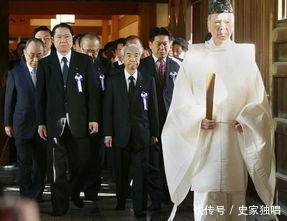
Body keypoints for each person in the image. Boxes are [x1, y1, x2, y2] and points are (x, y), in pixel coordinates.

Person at [162, 0, 276, 220]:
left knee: (234, 198)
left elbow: (258, 102)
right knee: (207, 197)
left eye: (226, 22)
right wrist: (197, 119)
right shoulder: (194, 55)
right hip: (205, 137)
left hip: (235, 137)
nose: (222, 27)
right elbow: (180, 104)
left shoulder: (244, 56)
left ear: (233, 24)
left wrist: (246, 119)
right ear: (208, 24)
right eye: (217, 22)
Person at [36, 23, 99, 216]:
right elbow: (40, 96)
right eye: (59, 37)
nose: (63, 40)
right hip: (54, 123)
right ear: (53, 41)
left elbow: (92, 93)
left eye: (67, 37)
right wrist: (41, 122)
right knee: (57, 168)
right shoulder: (45, 64)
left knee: (82, 162)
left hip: (80, 121)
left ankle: (73, 191)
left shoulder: (85, 61)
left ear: (73, 40)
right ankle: (60, 206)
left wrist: (93, 118)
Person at [103, 44, 159, 218]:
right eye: (128, 55)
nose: (133, 58)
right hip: (120, 135)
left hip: (141, 136)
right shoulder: (114, 80)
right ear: (122, 58)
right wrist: (108, 133)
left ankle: (139, 207)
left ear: (141, 57)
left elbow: (153, 109)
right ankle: (120, 201)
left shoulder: (148, 80)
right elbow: (108, 110)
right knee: (121, 172)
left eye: (136, 55)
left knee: (140, 174)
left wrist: (154, 133)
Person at [139, 27, 180, 211]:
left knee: (171, 160)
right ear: (150, 44)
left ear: (170, 45)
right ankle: (155, 199)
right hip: (149, 120)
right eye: (158, 43)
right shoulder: (142, 64)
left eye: (166, 43)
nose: (162, 47)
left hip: (173, 121)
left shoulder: (179, 65)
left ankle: (170, 196)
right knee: (153, 161)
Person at [4, 38, 46, 201]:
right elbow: (9, 99)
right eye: (32, 55)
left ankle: (37, 194)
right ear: (24, 53)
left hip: (43, 126)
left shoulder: (48, 71)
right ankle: (25, 195)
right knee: (24, 162)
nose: (35, 59)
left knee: (41, 164)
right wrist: (7, 122)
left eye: (39, 55)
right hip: (21, 124)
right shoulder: (15, 72)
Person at [79, 32, 112, 200]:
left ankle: (92, 191)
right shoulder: (75, 64)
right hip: (80, 116)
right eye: (87, 51)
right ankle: (76, 188)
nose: (91, 55)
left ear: (100, 49)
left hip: (100, 117)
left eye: (95, 51)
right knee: (80, 156)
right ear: (80, 48)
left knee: (96, 157)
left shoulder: (107, 65)